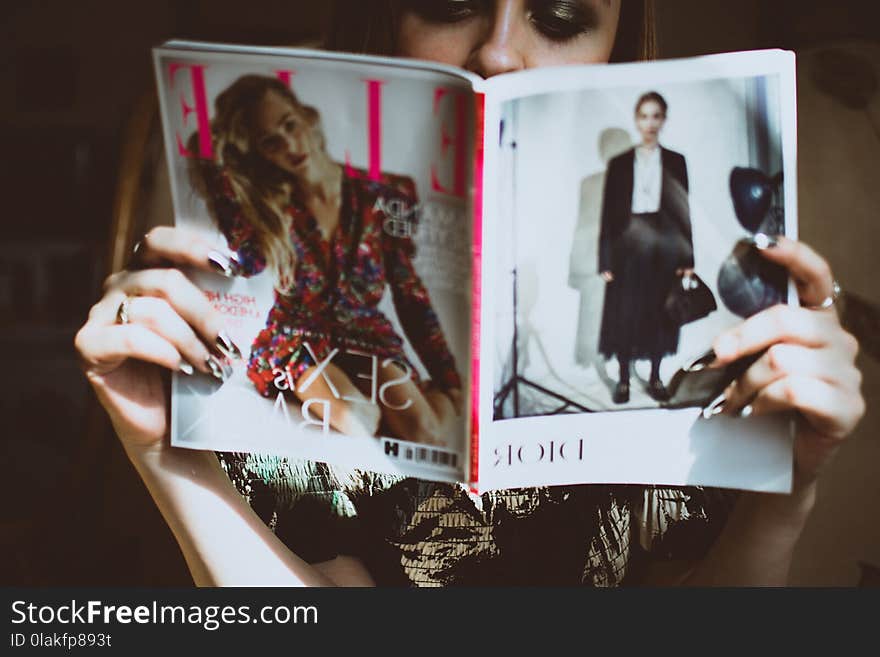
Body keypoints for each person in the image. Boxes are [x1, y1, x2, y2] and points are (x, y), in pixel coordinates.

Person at [75, 0, 865, 586]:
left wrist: (783, 499)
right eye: (451, 4)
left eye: (560, 15)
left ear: (620, 45)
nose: (498, 53)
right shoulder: (291, 220)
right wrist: (168, 458)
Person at [187, 74, 462, 445]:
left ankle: (432, 393)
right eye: (271, 142)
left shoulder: (386, 194)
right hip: (299, 338)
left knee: (429, 433)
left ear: (307, 118)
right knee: (359, 418)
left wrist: (448, 379)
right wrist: (219, 167)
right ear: (260, 153)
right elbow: (248, 262)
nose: (289, 144)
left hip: (368, 337)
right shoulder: (272, 208)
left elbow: (408, 291)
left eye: (290, 125)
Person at [598, 91, 693, 405]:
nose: (650, 123)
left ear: (663, 120)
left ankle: (654, 377)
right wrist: (605, 260)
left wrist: (686, 258)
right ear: (636, 120)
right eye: (644, 116)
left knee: (659, 313)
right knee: (625, 313)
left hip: (664, 247)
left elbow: (682, 212)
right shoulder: (620, 163)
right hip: (628, 246)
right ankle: (624, 380)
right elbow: (608, 215)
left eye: (656, 116)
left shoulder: (676, 162)